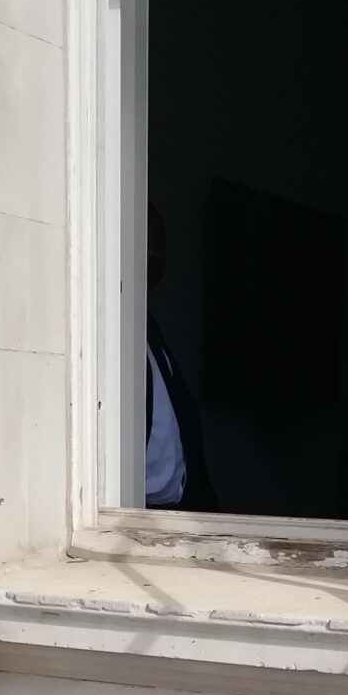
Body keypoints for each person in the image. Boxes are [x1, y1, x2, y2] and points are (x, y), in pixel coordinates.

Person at [145, 203, 217, 510]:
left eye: (160, 248)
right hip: (140, 515)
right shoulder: (105, 333)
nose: (155, 258)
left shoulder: (146, 325)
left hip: (181, 505)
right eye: (147, 244)